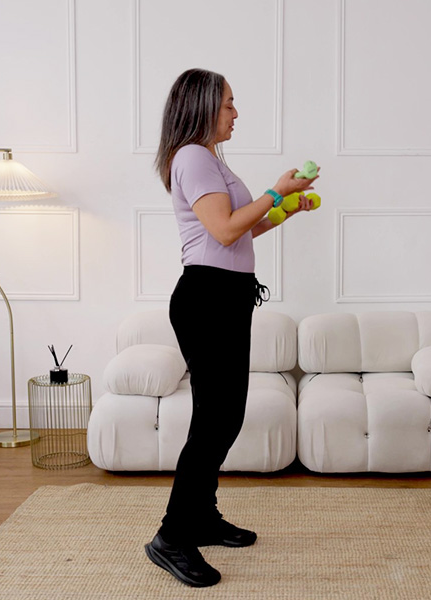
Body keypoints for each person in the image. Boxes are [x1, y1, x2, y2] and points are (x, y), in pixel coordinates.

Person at [145, 68, 317, 587]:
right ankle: (172, 536)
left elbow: (243, 225)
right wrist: (274, 188)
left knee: (225, 415)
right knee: (215, 420)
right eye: (228, 104)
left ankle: (201, 516)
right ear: (201, 107)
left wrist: (287, 206)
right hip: (207, 299)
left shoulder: (208, 158)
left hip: (225, 298)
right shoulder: (194, 157)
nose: (235, 113)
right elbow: (222, 230)